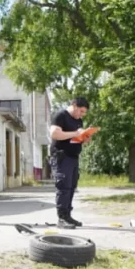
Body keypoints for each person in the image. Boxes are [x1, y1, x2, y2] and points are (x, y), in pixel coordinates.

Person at [49, 97, 90, 229]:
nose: (81, 115)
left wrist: (84, 138)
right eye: (81, 111)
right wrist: (74, 133)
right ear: (74, 105)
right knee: (64, 186)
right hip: (61, 155)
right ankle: (61, 218)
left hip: (73, 156)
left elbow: (76, 137)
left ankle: (67, 216)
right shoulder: (61, 115)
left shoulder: (79, 121)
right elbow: (54, 134)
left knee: (72, 187)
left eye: (84, 113)